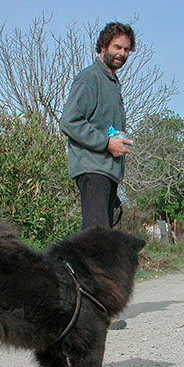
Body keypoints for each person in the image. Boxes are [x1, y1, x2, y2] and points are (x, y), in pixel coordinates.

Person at [60, 22, 135, 330]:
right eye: (117, 47)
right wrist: (106, 143)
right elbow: (69, 121)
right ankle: (90, 313)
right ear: (102, 47)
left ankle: (85, 309)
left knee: (95, 239)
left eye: (127, 49)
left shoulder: (111, 82)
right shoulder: (90, 78)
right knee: (96, 242)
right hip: (92, 168)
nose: (122, 53)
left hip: (106, 171)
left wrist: (117, 143)